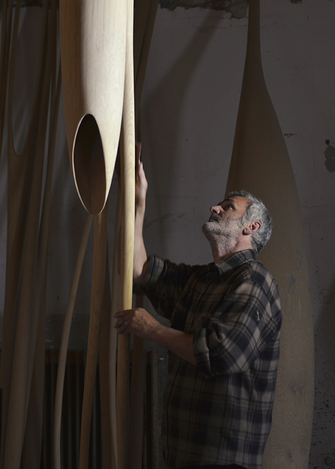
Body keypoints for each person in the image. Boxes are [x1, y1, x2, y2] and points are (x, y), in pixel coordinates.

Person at [115, 157, 282, 469]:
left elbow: (221, 354)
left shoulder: (254, 281)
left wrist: (152, 330)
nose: (214, 208)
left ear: (251, 226)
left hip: (224, 460)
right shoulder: (203, 279)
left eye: (227, 206)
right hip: (185, 455)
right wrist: (138, 203)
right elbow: (141, 272)